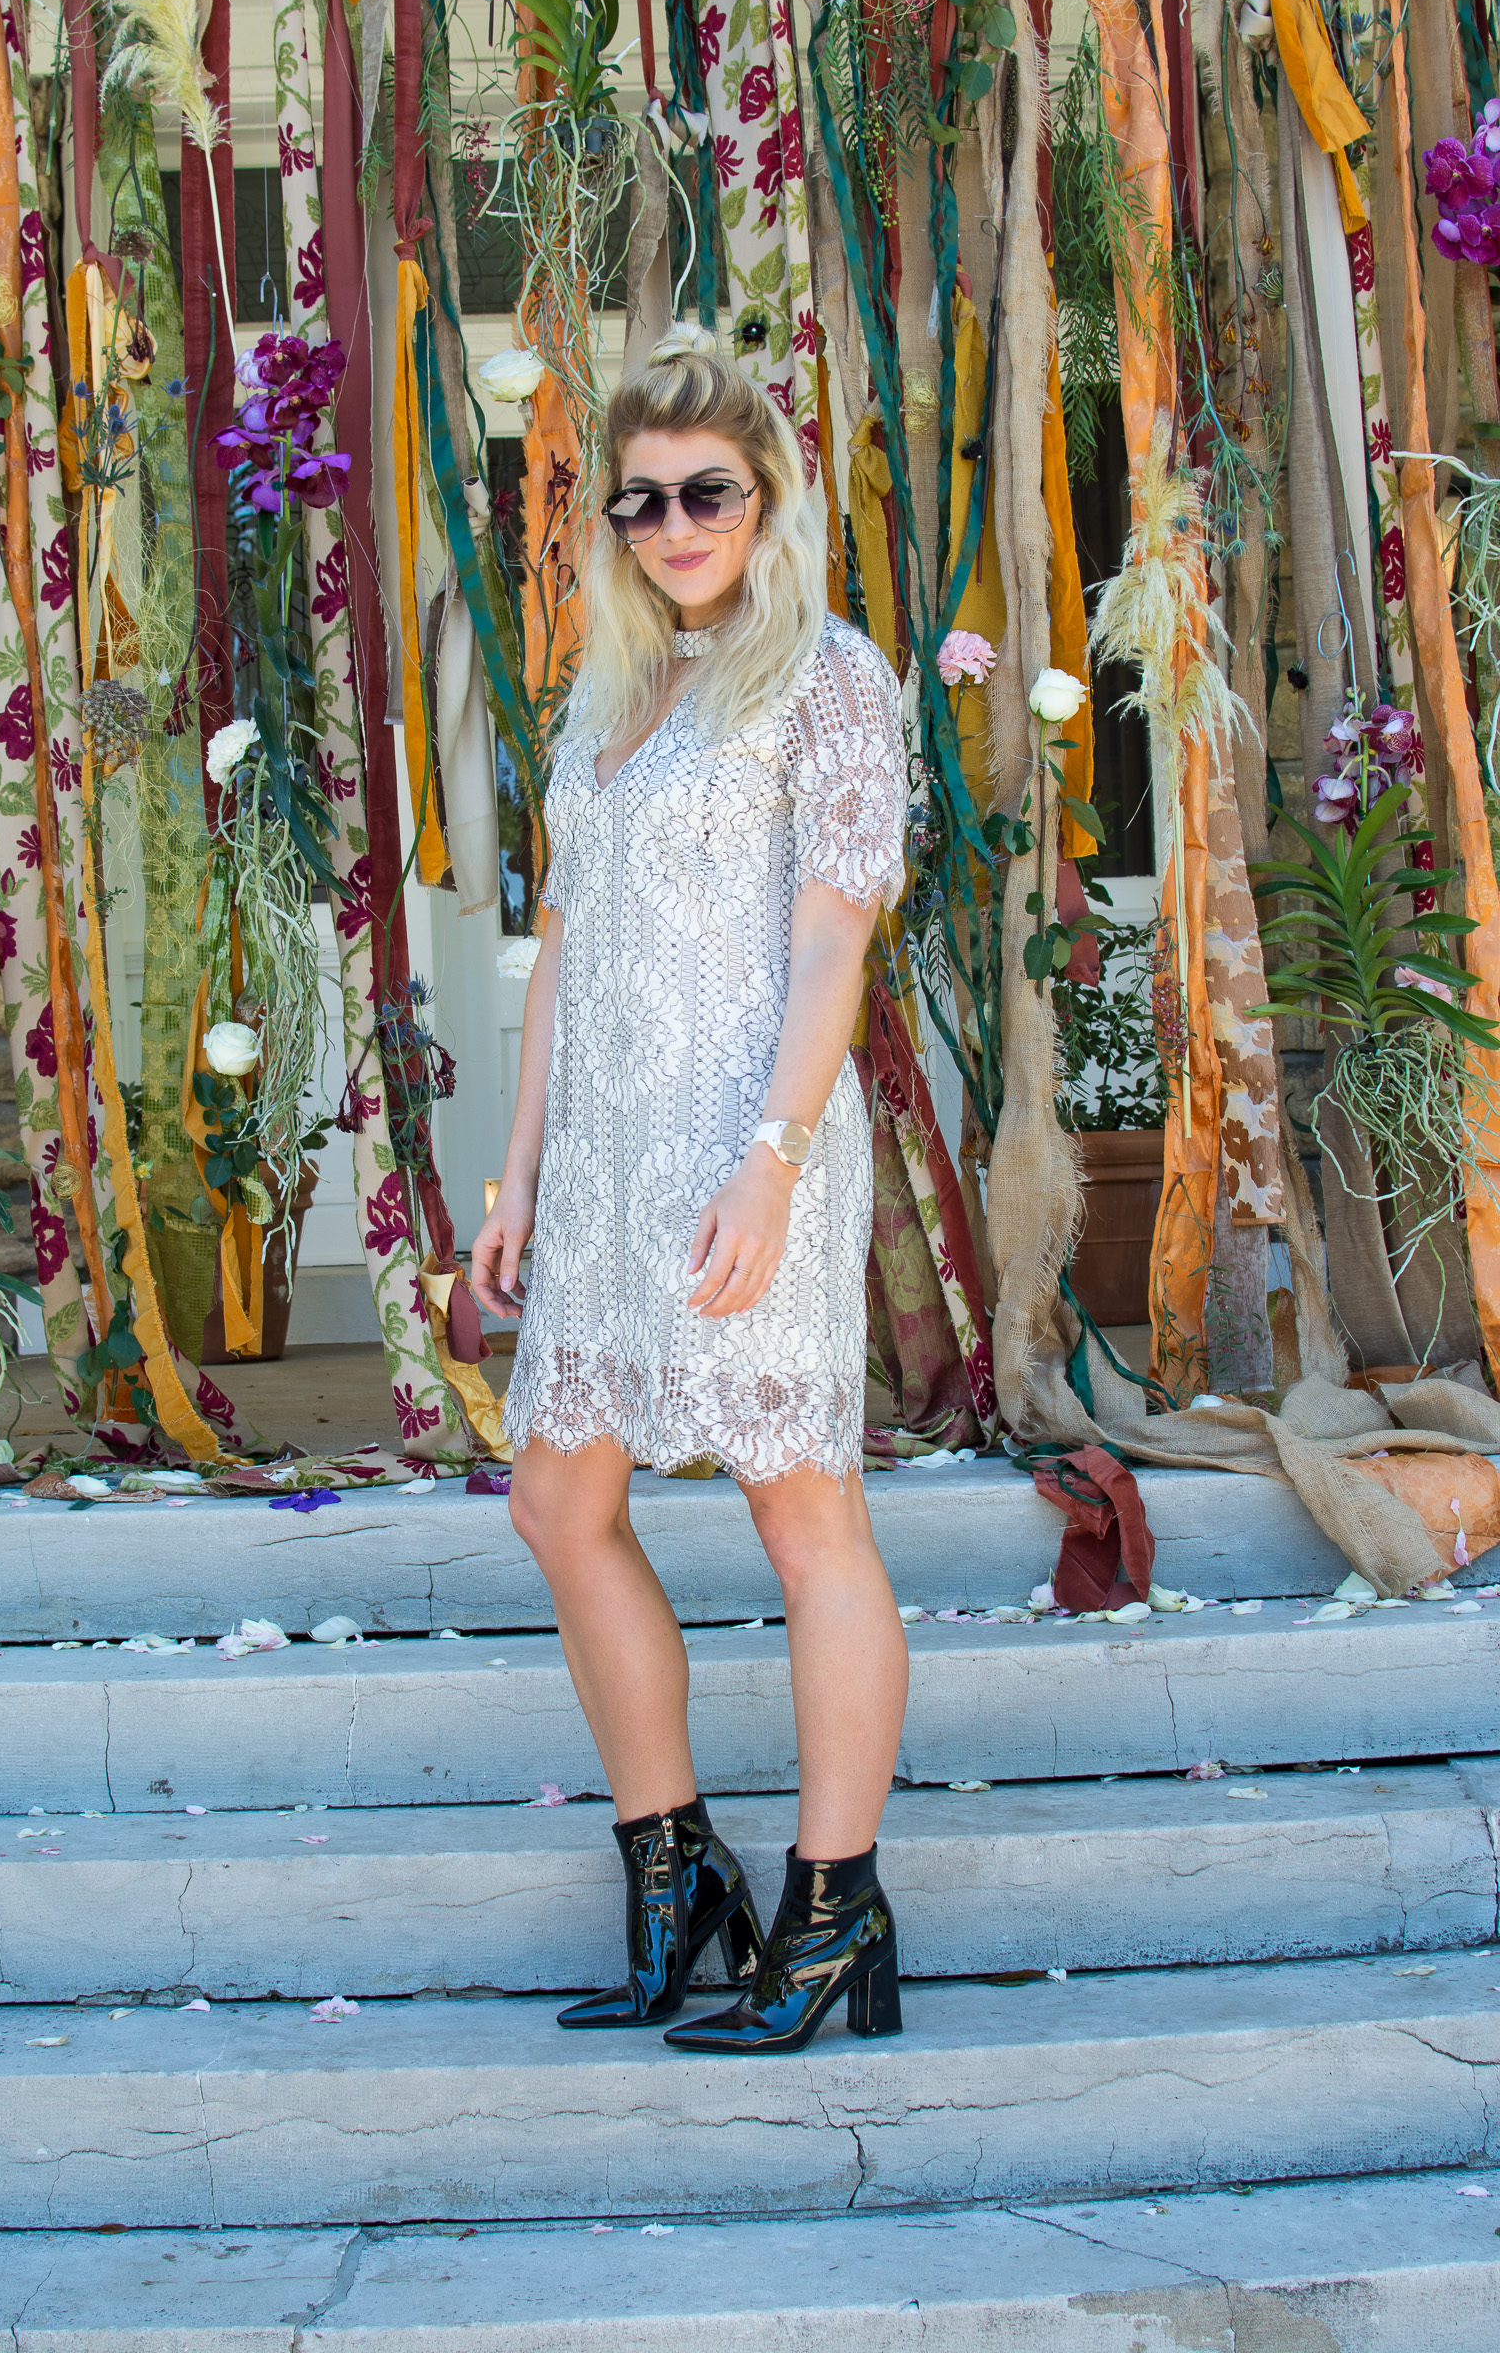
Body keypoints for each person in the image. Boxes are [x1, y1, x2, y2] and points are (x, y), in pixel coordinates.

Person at [471, 324, 909, 2055]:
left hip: (752, 1154)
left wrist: (775, 1160)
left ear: (768, 492)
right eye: (639, 499)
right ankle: (678, 1879)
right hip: (605, 1171)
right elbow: (561, 968)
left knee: (805, 1521)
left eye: (704, 491)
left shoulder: (831, 681)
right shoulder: (606, 696)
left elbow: (831, 946)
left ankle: (831, 1912)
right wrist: (513, 1178)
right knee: (557, 1505)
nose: (671, 524)